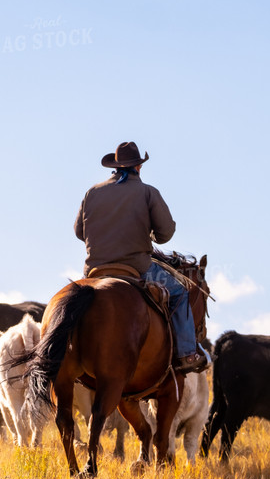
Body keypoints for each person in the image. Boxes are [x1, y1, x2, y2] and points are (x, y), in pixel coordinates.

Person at [74, 141, 206, 373]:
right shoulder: (147, 192)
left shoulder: (91, 192)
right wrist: (150, 233)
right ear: (138, 167)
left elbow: (79, 232)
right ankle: (186, 354)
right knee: (179, 292)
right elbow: (165, 234)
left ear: (114, 167)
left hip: (94, 270)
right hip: (137, 266)